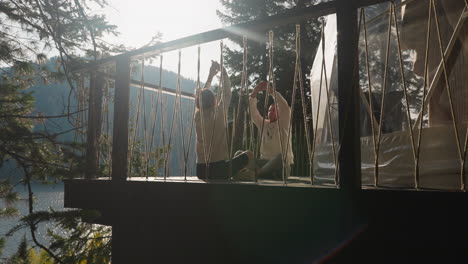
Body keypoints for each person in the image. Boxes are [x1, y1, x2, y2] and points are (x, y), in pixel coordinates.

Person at [194, 60, 254, 180]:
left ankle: (242, 175)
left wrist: (210, 76)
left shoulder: (197, 116)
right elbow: (227, 93)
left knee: (237, 157)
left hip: (200, 170)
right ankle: (254, 175)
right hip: (218, 170)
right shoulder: (219, 113)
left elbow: (200, 97)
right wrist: (224, 72)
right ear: (214, 101)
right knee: (249, 154)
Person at [249, 81, 294, 180]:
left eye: (274, 109)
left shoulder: (284, 122)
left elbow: (284, 105)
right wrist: (254, 93)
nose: (271, 111)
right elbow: (253, 113)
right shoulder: (263, 124)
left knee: (280, 158)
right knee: (242, 155)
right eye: (269, 110)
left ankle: (257, 174)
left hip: (280, 167)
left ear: (279, 112)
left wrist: (271, 91)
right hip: (263, 163)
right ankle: (261, 173)